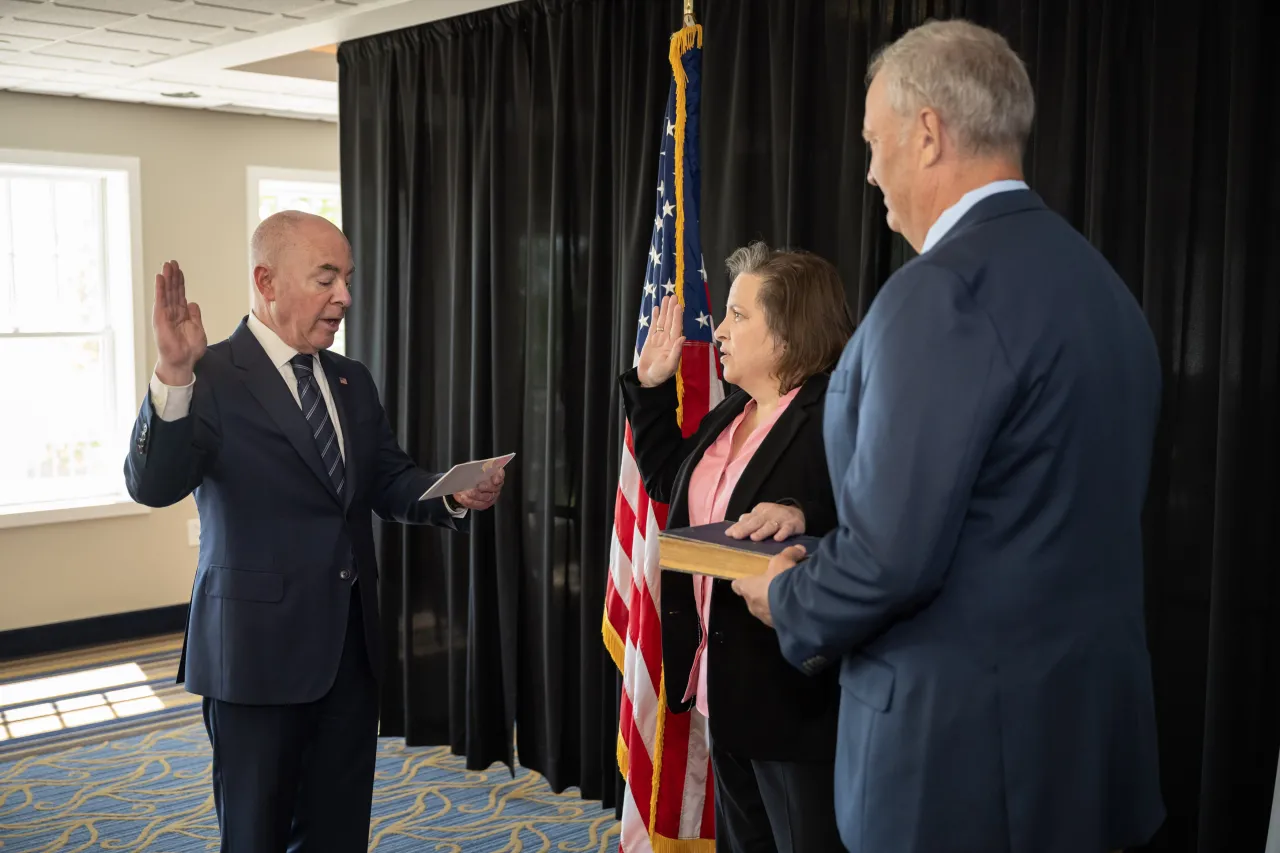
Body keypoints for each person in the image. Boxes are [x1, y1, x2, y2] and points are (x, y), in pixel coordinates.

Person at [731, 19, 1165, 853]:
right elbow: (1012, 525)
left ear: (927, 133)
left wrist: (788, 595)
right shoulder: (1106, 291)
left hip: (960, 773)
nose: (869, 172)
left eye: (873, 142)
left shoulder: (936, 295)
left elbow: (895, 557)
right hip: (1083, 751)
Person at [124, 210, 505, 852]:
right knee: (257, 836)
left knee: (336, 832)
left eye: (348, 279)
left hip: (350, 655)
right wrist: (172, 375)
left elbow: (389, 481)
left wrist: (451, 495)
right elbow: (151, 486)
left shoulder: (352, 380)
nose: (345, 298)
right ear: (266, 281)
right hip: (254, 660)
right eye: (326, 278)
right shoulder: (208, 375)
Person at [620, 243, 854, 852]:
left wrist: (805, 514)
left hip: (795, 703)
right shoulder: (734, 411)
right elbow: (673, 486)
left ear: (787, 330)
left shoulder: (837, 415)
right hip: (722, 690)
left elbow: (875, 527)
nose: (719, 331)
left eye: (738, 316)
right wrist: (649, 388)